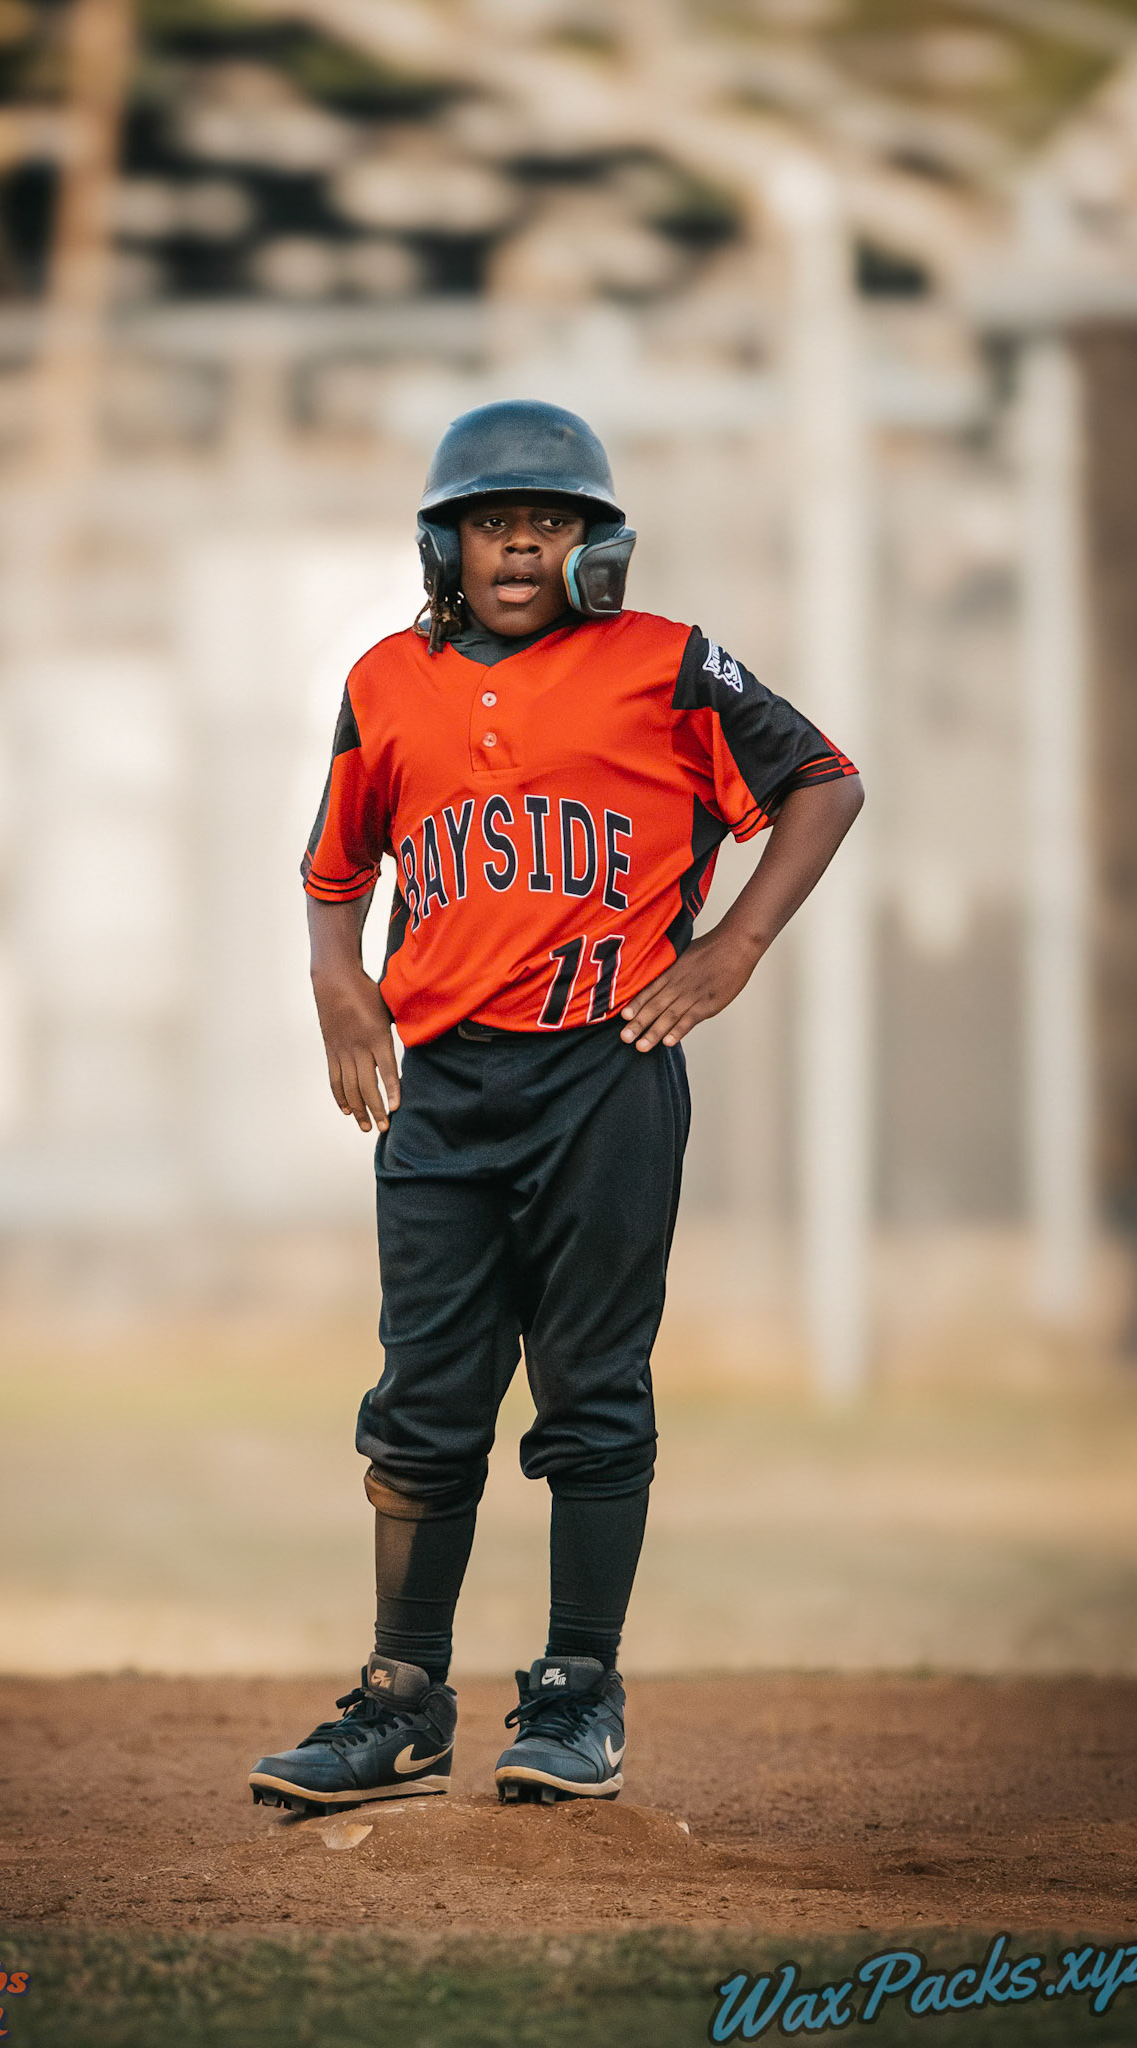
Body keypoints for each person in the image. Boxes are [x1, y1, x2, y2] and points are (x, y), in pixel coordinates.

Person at [248, 400, 862, 1815]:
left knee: (589, 1387)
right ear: (443, 547)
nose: (520, 543)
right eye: (490, 521)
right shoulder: (385, 681)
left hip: (606, 1069)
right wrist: (338, 982)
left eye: (551, 520)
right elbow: (335, 871)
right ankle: (402, 1704)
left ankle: (578, 1691)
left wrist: (734, 946)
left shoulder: (664, 663)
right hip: (445, 1085)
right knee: (423, 1399)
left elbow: (822, 784)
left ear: (598, 545)